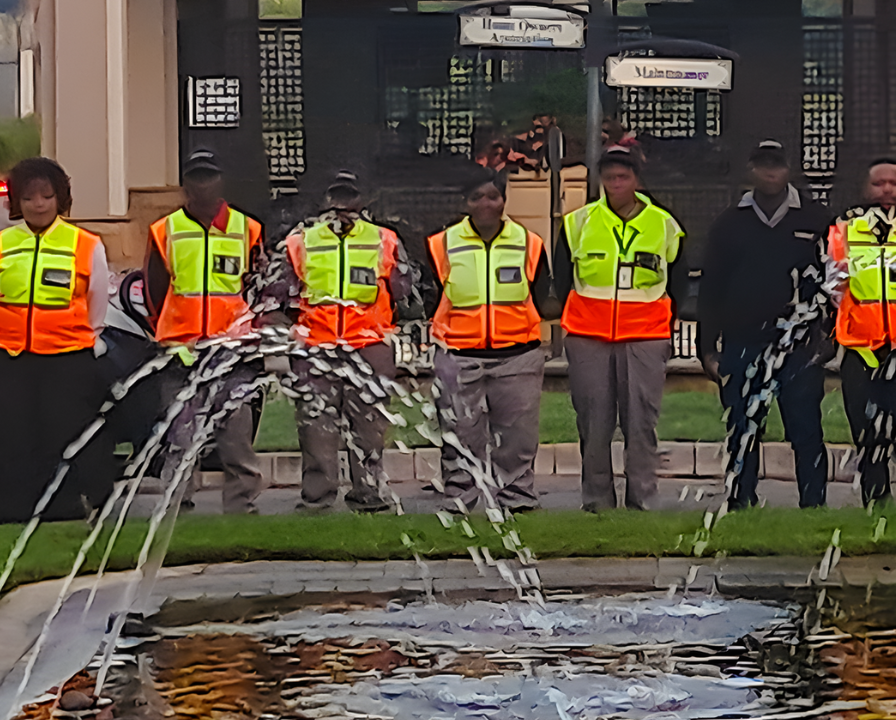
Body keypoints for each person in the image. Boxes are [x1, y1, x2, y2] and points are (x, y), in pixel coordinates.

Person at [695, 137, 832, 511]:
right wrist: (705, 347)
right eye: (763, 164)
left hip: (799, 343)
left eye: (777, 164)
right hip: (743, 341)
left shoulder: (815, 219)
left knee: (806, 429)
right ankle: (742, 501)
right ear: (751, 170)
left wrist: (829, 337)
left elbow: (834, 281)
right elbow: (712, 286)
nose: (770, 171)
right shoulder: (729, 222)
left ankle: (813, 504)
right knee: (743, 427)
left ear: (789, 169)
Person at [140, 150, 266, 516]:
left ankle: (241, 505)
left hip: (232, 351)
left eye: (209, 176)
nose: (202, 184)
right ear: (185, 186)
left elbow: (259, 288)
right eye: (195, 177)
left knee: (236, 437)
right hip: (182, 352)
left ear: (221, 182)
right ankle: (176, 505)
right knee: (180, 436)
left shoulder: (249, 229)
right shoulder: (164, 230)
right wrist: (167, 333)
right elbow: (153, 288)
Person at [0, 156, 110, 521]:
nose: (38, 205)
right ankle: (20, 508)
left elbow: (96, 303)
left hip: (67, 357)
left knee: (66, 432)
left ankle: (68, 504)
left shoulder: (86, 244)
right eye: (28, 198)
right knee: (15, 435)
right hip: (10, 357)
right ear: (16, 202)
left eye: (46, 196)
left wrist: (82, 338)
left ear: (60, 199)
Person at [561, 145, 686, 512]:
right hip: (588, 337)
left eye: (623, 177)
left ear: (636, 180)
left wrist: (667, 327)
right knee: (593, 422)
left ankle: (642, 499)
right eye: (609, 177)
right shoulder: (578, 223)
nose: (616, 184)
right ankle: (597, 502)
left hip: (646, 336)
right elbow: (562, 277)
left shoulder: (663, 223)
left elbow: (677, 279)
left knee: (641, 422)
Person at [426, 167, 551, 516]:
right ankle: (459, 500)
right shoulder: (441, 244)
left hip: (518, 356)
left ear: (504, 200)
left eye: (492, 196)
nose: (485, 203)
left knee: (518, 438)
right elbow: (430, 294)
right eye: (476, 197)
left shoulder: (529, 243)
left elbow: (541, 294)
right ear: (465, 202)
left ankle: (518, 499)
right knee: (460, 434)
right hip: (458, 354)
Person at [283, 165, 406, 515]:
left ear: (363, 200)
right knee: (316, 428)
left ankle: (369, 495)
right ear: (325, 200)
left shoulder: (386, 239)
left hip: (369, 346)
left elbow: (407, 291)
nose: (342, 204)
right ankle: (317, 499)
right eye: (336, 196)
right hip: (316, 349)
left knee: (369, 427)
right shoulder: (300, 242)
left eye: (349, 196)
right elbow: (279, 293)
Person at [829, 158, 896, 507]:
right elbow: (832, 290)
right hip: (861, 353)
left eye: (894, 183)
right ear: (864, 189)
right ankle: (876, 508)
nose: (887, 190)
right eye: (878, 183)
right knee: (868, 438)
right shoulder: (842, 234)